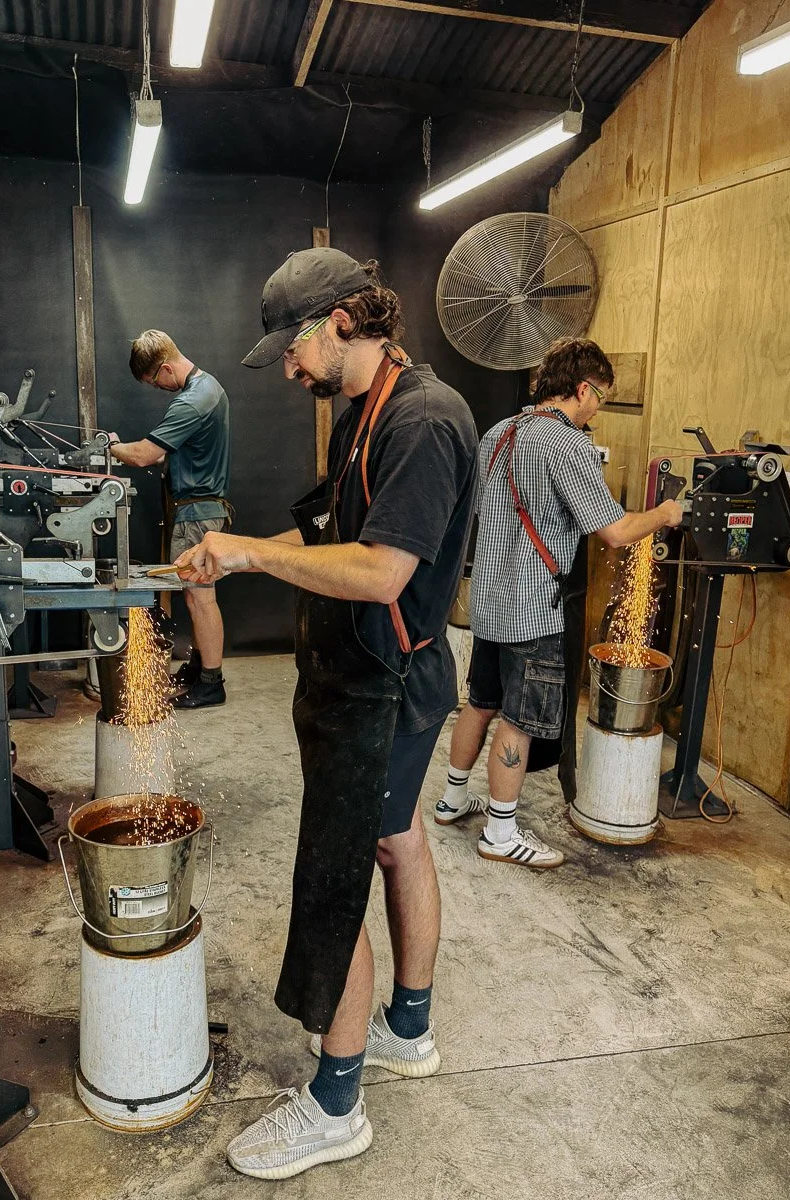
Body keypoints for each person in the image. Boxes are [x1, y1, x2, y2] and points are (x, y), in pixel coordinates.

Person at [173, 249, 478, 1179]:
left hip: (385, 684)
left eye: (294, 346)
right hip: (374, 676)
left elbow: (383, 569)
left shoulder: (423, 420)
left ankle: (337, 1100)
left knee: (337, 874)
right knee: (397, 840)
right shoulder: (368, 411)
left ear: (344, 317)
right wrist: (240, 551)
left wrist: (251, 559)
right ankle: (408, 1031)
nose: (289, 368)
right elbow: (328, 528)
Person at [435, 337, 684, 867]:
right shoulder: (568, 447)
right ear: (581, 388)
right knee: (521, 719)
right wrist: (664, 514)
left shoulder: (499, 434)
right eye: (600, 397)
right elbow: (615, 532)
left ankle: (452, 799)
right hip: (535, 609)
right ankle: (500, 833)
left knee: (480, 700)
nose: (599, 408)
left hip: (491, 601)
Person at [108, 330, 232, 708]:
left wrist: (112, 448)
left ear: (164, 368)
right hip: (197, 510)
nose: (156, 388)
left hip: (197, 514)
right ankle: (200, 666)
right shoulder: (207, 388)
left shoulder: (192, 401)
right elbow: (169, 455)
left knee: (199, 597)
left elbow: (146, 455)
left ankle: (211, 683)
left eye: (153, 381)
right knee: (196, 596)